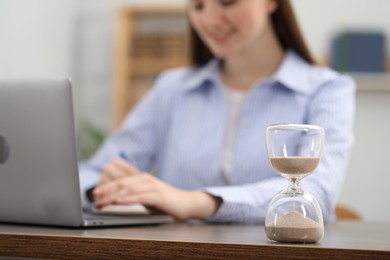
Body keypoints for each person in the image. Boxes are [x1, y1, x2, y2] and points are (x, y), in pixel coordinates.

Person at [79, 0, 355, 224]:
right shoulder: (171, 89)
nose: (210, 20)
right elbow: (90, 171)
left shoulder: (328, 90)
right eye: (198, 6)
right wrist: (102, 187)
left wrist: (196, 202)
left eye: (227, 2)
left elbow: (318, 191)